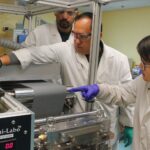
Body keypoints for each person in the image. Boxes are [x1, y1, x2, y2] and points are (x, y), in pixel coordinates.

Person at [0, 12, 134, 150]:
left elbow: (127, 94)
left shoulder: (119, 59)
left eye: (82, 37)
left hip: (107, 126)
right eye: (75, 34)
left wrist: (129, 124)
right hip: (76, 125)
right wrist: (1, 60)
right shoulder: (66, 49)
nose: (76, 41)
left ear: (98, 36)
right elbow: (32, 53)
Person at [68, 35, 150, 150]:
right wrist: (99, 89)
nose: (140, 66)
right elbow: (122, 92)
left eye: (145, 63)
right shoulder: (142, 82)